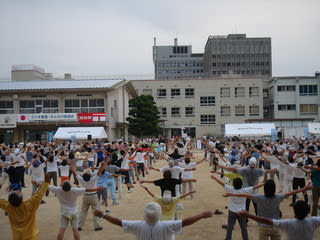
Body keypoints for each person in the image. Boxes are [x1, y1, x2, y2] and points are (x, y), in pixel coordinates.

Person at [224, 179, 312, 240]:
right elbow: (292, 192)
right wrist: (304, 189)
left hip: (263, 227)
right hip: (276, 226)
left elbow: (243, 195)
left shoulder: (259, 198)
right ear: (274, 189)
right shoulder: (278, 197)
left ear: (265, 189)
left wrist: (231, 194)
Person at [94, 202, 213, 240]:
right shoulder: (166, 225)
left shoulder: (139, 225)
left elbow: (119, 222)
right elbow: (185, 222)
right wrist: (201, 215)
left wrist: (103, 215)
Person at [210, 174, 263, 240]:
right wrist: (264, 184)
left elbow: (222, 183)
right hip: (242, 212)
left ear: (233, 184)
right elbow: (255, 187)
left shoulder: (230, 189)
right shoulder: (245, 190)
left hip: (232, 211)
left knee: (230, 227)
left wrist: (215, 178)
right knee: (243, 227)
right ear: (241, 184)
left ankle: (228, 238)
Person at [0, 173, 50, 240]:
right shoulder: (30, 204)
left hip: (17, 237)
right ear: (21, 197)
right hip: (31, 236)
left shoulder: (8, 207)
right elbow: (39, 194)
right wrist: (46, 182)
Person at [240, 200, 320, 240]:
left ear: (295, 211)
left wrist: (249, 215)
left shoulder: (289, 223)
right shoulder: (313, 221)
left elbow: (266, 221)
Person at [70, 166, 103, 231]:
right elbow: (99, 172)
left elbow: (74, 173)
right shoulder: (93, 179)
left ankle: (79, 226)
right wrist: (103, 165)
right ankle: (97, 226)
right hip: (93, 196)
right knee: (96, 210)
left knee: (83, 212)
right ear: (90, 175)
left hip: (85, 196)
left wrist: (71, 166)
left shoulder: (82, 180)